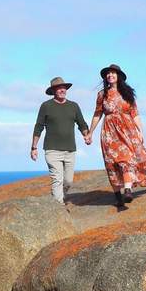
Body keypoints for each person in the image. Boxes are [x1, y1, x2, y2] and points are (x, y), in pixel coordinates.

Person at [87, 63, 146, 210]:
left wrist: (140, 132)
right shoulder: (102, 95)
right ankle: (118, 197)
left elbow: (135, 114)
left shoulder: (127, 93)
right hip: (109, 131)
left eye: (113, 73)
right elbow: (97, 114)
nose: (110, 75)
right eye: (108, 73)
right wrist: (90, 132)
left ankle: (128, 190)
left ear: (119, 77)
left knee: (127, 159)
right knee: (111, 163)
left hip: (127, 130)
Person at [31, 76, 91, 208]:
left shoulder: (74, 106)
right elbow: (38, 127)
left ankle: (59, 197)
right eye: (58, 88)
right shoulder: (46, 106)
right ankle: (59, 207)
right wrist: (34, 147)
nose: (61, 90)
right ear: (53, 91)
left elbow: (82, 123)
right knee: (57, 179)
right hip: (52, 150)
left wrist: (86, 135)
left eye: (63, 87)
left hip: (70, 150)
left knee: (68, 181)